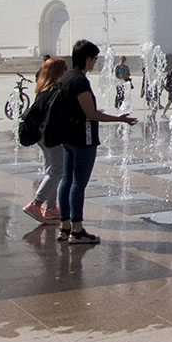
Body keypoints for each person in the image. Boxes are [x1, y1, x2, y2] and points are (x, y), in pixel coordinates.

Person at [50, 40, 137, 244]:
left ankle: (65, 227)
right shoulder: (80, 81)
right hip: (83, 138)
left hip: (68, 137)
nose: (95, 63)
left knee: (67, 180)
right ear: (87, 59)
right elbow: (90, 114)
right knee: (78, 183)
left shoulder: (66, 77)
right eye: (95, 59)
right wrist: (120, 119)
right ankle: (78, 230)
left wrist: (91, 113)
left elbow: (77, 109)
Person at [24, 57, 67, 225]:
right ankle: (36, 204)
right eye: (63, 70)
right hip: (51, 136)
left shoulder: (41, 90)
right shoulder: (55, 91)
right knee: (58, 170)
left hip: (41, 136)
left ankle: (50, 208)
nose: (65, 73)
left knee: (51, 169)